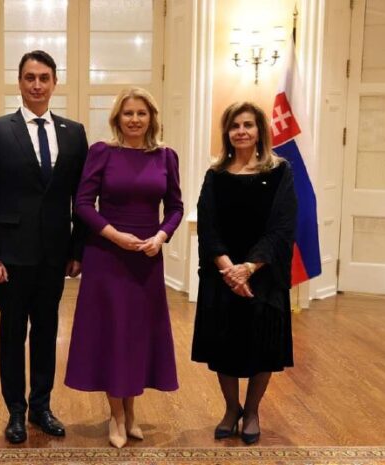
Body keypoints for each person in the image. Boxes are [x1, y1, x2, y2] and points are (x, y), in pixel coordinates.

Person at [0, 50, 88, 444]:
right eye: (29, 78)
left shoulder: (74, 133)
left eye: (43, 78)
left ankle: (41, 406)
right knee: (12, 335)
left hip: (54, 256)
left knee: (46, 331)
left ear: (55, 82)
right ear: (19, 82)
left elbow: (82, 198)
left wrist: (77, 250)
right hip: (10, 256)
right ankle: (15, 413)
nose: (36, 85)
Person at [64, 87, 183, 448]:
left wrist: (161, 236)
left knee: (136, 334)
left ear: (151, 118)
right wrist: (114, 236)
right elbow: (83, 204)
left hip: (146, 258)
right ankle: (116, 415)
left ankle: (131, 411)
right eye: (128, 113)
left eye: (141, 113)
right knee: (112, 332)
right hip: (107, 255)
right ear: (117, 117)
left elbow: (175, 207)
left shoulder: (166, 156)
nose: (134, 119)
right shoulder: (102, 152)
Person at [191, 101, 297, 445]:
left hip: (263, 275)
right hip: (222, 274)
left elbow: (282, 226)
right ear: (227, 132)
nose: (241, 131)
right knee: (224, 345)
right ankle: (231, 409)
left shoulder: (280, 171)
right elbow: (207, 226)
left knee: (262, 346)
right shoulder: (216, 175)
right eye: (234, 126)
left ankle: (251, 411)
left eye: (247, 125)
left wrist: (249, 268)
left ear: (259, 130)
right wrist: (229, 269)